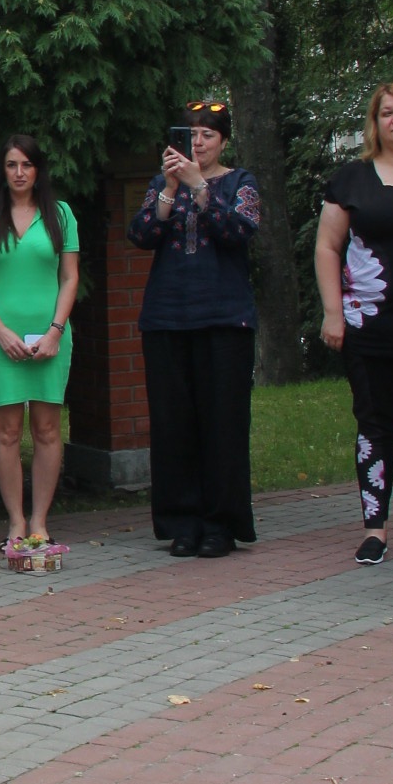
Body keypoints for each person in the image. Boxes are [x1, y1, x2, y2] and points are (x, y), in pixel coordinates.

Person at [128, 99, 259, 558]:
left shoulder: (240, 182)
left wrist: (199, 186)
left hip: (224, 319)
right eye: (191, 135)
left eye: (208, 135)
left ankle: (221, 524)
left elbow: (238, 231)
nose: (198, 143)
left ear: (223, 141)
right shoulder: (161, 184)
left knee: (223, 423)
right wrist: (169, 187)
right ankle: (181, 523)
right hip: (167, 317)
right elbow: (141, 234)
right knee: (173, 424)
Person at [314, 77, 393, 566]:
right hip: (369, 327)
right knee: (375, 425)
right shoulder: (352, 179)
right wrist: (333, 312)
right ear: (375, 123)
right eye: (387, 112)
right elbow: (327, 246)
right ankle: (374, 531)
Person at [0, 135, 80, 546]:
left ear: (38, 169)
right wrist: (0, 332)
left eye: (27, 165)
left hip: (51, 337)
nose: (19, 172)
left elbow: (70, 278)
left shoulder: (61, 215)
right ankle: (15, 521)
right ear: (2, 169)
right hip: (0, 339)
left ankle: (40, 521)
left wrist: (55, 331)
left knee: (47, 429)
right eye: (11, 164)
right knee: (7, 431)